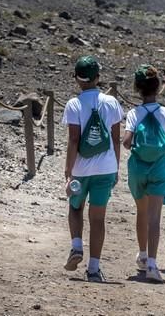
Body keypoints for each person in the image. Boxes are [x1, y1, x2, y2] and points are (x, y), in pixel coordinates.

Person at [62, 56, 123, 283]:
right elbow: (116, 140)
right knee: (98, 218)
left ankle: (76, 246)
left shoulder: (73, 104)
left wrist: (68, 172)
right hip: (105, 168)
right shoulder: (112, 102)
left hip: (81, 169)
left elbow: (73, 139)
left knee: (75, 208)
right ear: (98, 77)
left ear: (77, 79)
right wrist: (115, 168)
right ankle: (94, 269)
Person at [123, 65, 165, 283]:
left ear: (137, 88)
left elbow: (126, 143)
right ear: (158, 88)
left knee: (141, 212)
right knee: (155, 217)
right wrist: (160, 148)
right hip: (160, 167)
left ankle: (143, 255)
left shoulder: (134, 113)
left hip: (138, 168)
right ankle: (153, 265)